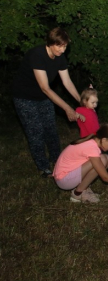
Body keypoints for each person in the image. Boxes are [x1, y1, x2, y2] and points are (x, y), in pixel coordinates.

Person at [11, 27, 85, 178]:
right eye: (59, 46)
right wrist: (67, 108)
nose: (62, 50)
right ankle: (43, 167)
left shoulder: (60, 58)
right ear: (50, 43)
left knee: (51, 129)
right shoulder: (37, 55)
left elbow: (67, 82)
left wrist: (82, 102)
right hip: (24, 98)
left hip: (43, 98)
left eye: (65, 46)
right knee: (36, 132)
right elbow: (45, 88)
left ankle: (57, 160)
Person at [53, 124, 108, 203]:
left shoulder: (92, 142)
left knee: (106, 159)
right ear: (104, 139)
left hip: (67, 174)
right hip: (64, 180)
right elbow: (105, 177)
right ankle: (78, 193)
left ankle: (83, 188)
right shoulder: (91, 148)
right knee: (102, 160)